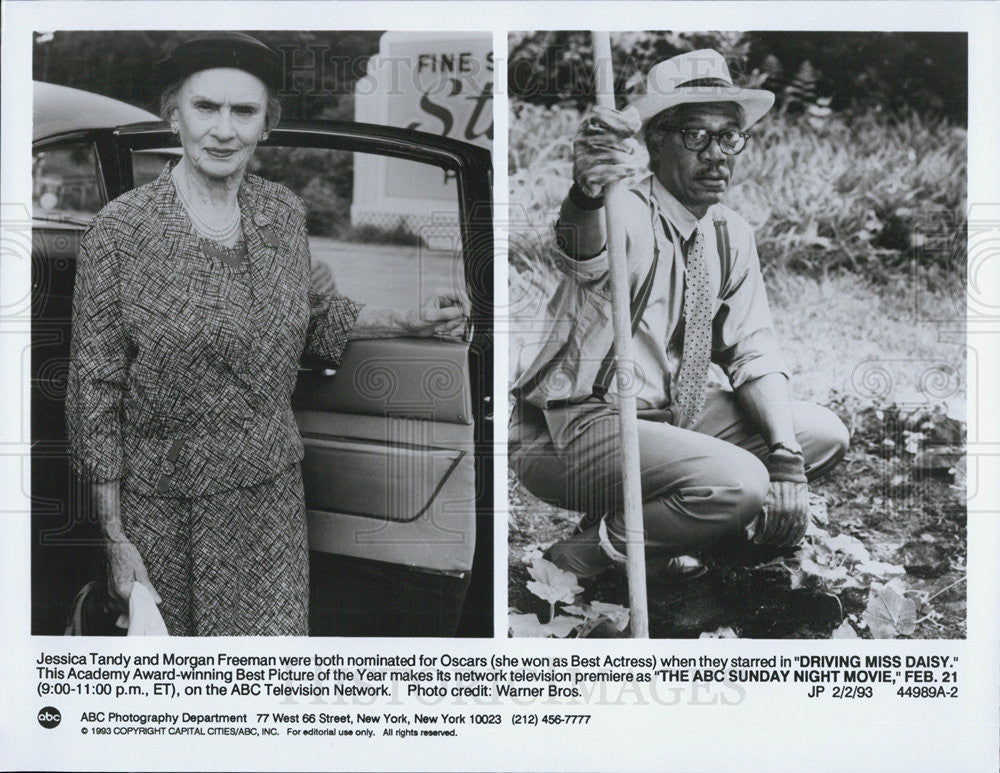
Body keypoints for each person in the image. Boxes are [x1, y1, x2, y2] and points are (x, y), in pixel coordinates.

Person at [66, 33, 467, 635]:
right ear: (174, 114)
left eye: (244, 111)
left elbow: (305, 318)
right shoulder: (121, 231)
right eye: (206, 108)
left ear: (265, 125)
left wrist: (406, 320)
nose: (223, 129)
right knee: (174, 699)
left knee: (267, 685)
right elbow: (93, 394)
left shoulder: (280, 212)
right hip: (163, 508)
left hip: (268, 497)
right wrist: (115, 537)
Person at [510, 49, 849, 579]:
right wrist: (588, 189)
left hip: (672, 421)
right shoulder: (624, 207)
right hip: (574, 429)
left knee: (820, 435)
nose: (717, 155)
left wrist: (785, 458)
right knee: (738, 483)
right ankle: (593, 552)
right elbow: (582, 249)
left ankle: (670, 531)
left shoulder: (729, 233)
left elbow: (753, 352)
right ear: (656, 144)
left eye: (729, 136)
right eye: (696, 135)